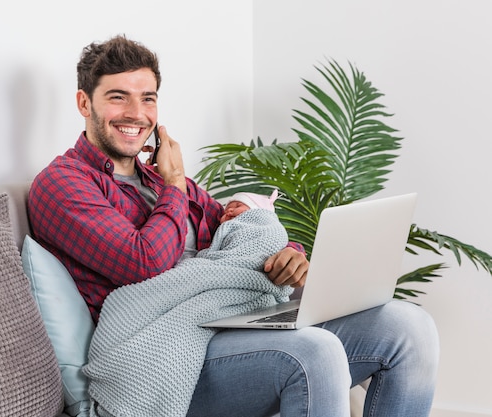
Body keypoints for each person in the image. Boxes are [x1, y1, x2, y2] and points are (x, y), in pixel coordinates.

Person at [28, 35, 439, 417]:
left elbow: (234, 235)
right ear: (85, 103)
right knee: (314, 352)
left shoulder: (160, 178)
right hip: (162, 354)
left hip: (226, 323)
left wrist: (288, 257)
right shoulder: (63, 184)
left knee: (408, 328)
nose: (137, 114)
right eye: (118, 98)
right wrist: (174, 184)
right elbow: (144, 263)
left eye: (147, 99)